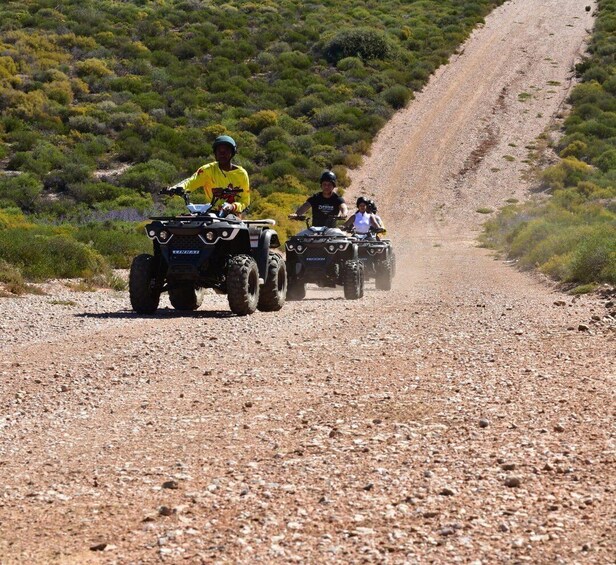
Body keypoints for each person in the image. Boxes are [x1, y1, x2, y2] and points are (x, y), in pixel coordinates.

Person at [172, 135, 249, 215]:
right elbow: (191, 182)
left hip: (232, 215)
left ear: (232, 153)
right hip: (211, 214)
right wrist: (175, 189)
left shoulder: (241, 174)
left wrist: (232, 206)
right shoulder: (207, 170)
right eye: (219, 151)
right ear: (215, 153)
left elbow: (245, 201)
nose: (222, 154)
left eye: (226, 150)